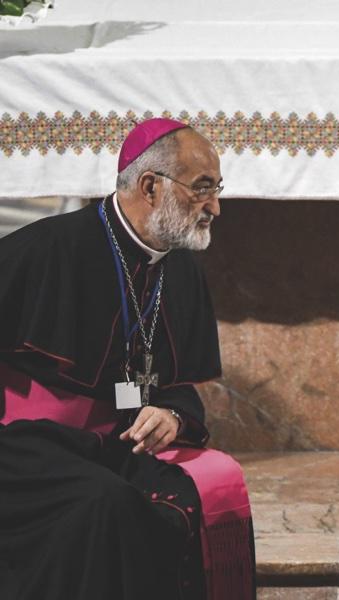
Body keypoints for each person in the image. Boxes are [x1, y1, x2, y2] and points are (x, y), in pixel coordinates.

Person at [0, 119, 254, 599]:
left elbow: (176, 386)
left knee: (200, 490)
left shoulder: (180, 270)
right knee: (108, 503)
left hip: (117, 445)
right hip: (28, 446)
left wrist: (172, 416)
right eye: (202, 190)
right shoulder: (48, 248)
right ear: (150, 186)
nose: (215, 208)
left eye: (217, 190)